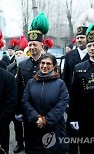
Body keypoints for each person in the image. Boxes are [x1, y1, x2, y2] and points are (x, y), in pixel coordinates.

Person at [22, 53, 69, 154]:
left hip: (55, 128)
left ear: (54, 66)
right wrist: (36, 117)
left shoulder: (60, 84)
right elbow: (26, 101)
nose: (44, 66)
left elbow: (61, 105)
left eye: (48, 63)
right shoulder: (31, 82)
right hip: (34, 127)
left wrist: (45, 120)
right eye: (42, 63)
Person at [17, 12, 49, 153]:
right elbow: (19, 90)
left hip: (47, 113)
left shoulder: (50, 62)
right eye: (29, 45)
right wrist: (18, 111)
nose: (32, 48)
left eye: (35, 44)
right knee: (31, 146)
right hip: (29, 114)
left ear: (42, 45)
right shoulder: (22, 64)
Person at [62, 26, 89, 154]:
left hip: (88, 101)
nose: (79, 40)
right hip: (72, 100)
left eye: (82, 37)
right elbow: (65, 77)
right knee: (72, 135)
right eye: (77, 38)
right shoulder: (69, 55)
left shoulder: (91, 53)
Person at [69, 23, 94, 154]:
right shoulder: (79, 67)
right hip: (85, 118)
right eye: (89, 45)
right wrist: (73, 118)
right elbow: (74, 95)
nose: (92, 48)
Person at [7, 35, 28, 153]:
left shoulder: (29, 67)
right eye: (17, 54)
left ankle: (29, 141)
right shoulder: (10, 67)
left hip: (27, 99)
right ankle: (19, 143)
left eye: (20, 53)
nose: (18, 56)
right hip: (15, 100)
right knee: (17, 125)